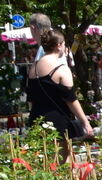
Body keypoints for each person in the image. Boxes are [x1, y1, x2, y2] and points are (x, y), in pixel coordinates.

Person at [26, 29, 93, 161]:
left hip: (36, 119)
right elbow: (71, 99)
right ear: (58, 45)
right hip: (58, 120)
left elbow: (30, 97)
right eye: (63, 44)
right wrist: (85, 122)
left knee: (45, 161)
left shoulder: (33, 68)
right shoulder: (61, 68)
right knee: (63, 161)